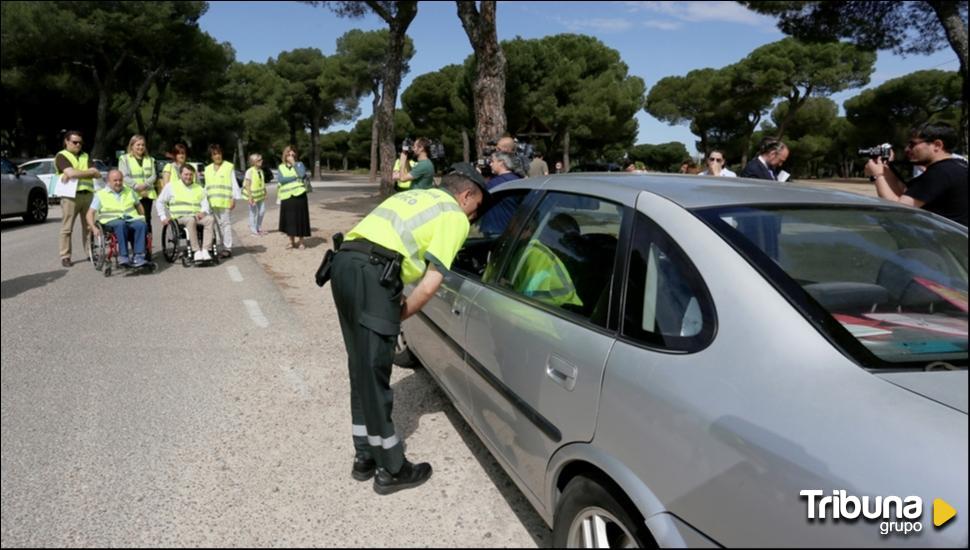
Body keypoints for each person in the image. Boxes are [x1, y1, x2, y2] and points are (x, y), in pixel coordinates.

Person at [330, 162, 488, 495]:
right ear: (466, 194)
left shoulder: (419, 196)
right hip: (374, 276)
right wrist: (397, 314)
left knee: (360, 366)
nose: (475, 215)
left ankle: (365, 456)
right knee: (375, 371)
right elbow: (430, 284)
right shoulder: (454, 215)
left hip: (343, 264)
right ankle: (392, 468)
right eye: (477, 205)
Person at [865, 123, 968, 226]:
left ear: (937, 145)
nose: (907, 149)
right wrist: (885, 168)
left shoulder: (940, 172)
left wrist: (877, 176)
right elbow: (903, 195)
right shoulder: (956, 166)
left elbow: (899, 210)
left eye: (912, 144)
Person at [55, 130, 102, 268]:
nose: (78, 145)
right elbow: (71, 172)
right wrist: (88, 173)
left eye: (80, 142)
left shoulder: (85, 155)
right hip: (70, 196)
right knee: (67, 228)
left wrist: (75, 174)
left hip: (88, 194)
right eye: (75, 142)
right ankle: (65, 256)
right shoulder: (61, 156)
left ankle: (90, 252)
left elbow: (97, 173)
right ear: (66, 142)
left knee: (89, 226)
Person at [86, 169, 149, 267]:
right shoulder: (101, 194)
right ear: (108, 181)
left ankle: (139, 256)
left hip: (130, 219)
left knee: (141, 225)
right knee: (120, 224)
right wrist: (93, 227)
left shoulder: (129, 191)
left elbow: (138, 205)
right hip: (110, 221)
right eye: (115, 180)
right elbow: (90, 213)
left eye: (120, 180)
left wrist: (142, 217)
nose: (118, 183)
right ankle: (123, 256)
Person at [156, 164, 215, 262]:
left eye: (191, 175)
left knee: (210, 219)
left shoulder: (199, 188)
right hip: (179, 218)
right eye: (186, 174)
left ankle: (205, 250)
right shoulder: (171, 186)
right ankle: (196, 251)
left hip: (196, 217)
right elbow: (160, 201)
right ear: (180, 174)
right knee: (190, 220)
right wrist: (163, 217)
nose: (188, 177)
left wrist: (203, 212)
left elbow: (205, 204)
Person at [204, 144, 241, 258]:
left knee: (225, 224)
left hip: (225, 201)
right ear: (211, 156)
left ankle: (227, 248)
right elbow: (206, 186)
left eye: (219, 153)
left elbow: (234, 184)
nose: (217, 156)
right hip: (212, 201)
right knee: (215, 225)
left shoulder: (228, 166)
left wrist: (233, 198)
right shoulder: (208, 169)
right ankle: (219, 246)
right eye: (214, 154)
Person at [117, 134, 158, 236]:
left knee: (146, 220)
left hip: (147, 194)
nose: (141, 147)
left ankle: (147, 247)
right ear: (132, 146)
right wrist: (136, 186)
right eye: (138, 145)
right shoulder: (124, 159)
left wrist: (145, 185)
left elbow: (154, 175)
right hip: (131, 194)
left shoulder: (150, 159)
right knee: (133, 221)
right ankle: (136, 246)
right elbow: (124, 175)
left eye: (143, 145)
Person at [479, 151, 522, 236]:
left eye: (492, 161)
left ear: (501, 163)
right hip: (513, 229)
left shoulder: (494, 183)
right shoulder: (519, 180)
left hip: (494, 228)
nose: (490, 164)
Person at [277, 145, 310, 250]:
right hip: (287, 196)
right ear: (285, 155)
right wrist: (294, 177)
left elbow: (301, 174)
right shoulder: (281, 166)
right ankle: (291, 242)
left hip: (300, 195)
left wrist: (294, 164)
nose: (291, 156)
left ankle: (301, 242)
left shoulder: (300, 164)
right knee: (289, 220)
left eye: (292, 154)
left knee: (301, 219)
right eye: (288, 154)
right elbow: (281, 180)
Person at [243, 153, 268, 236]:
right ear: (253, 162)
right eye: (259, 160)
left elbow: (262, 182)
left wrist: (265, 192)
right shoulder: (249, 171)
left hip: (260, 196)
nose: (261, 161)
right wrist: (250, 197)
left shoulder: (261, 171)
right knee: (253, 213)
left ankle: (258, 228)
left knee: (262, 211)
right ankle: (254, 231)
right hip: (253, 197)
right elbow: (247, 184)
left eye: (261, 159)